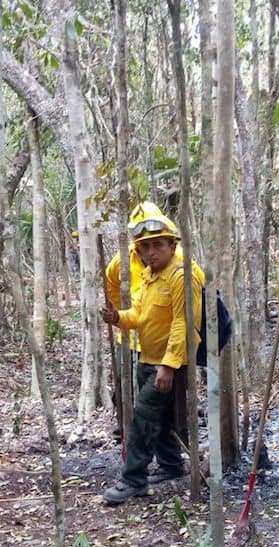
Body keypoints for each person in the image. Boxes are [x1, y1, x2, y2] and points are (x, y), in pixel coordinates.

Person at [100, 202, 204, 504]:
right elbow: (140, 316)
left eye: (158, 245)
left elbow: (185, 324)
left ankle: (134, 479)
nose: (151, 252)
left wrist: (169, 367)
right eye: (145, 248)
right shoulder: (149, 276)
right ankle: (172, 465)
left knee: (143, 416)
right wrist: (117, 318)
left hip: (167, 362)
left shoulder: (182, 275)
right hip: (147, 357)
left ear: (172, 246)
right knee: (161, 418)